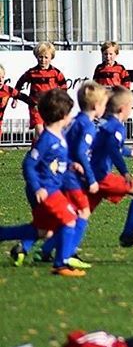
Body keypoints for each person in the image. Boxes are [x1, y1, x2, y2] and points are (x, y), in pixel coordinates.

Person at [22, 81, 109, 268]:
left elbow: (68, 151)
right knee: (80, 213)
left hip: (63, 176)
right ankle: (66, 254)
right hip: (68, 180)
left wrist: (71, 164)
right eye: (104, 104)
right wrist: (91, 178)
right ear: (96, 106)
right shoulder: (86, 125)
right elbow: (79, 151)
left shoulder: (74, 121)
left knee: (51, 222)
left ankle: (30, 248)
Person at [0, 89, 86, 277]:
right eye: (69, 113)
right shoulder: (46, 139)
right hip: (47, 190)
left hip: (52, 188)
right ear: (62, 116)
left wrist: (71, 165)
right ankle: (61, 264)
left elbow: (54, 161)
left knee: (43, 231)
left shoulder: (59, 136)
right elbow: (29, 164)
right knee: (70, 218)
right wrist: (37, 187)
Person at [90, 86, 133, 247]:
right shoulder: (117, 127)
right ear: (123, 108)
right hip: (101, 176)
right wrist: (124, 172)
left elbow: (110, 146)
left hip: (90, 174)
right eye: (131, 106)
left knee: (79, 214)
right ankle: (129, 233)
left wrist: (130, 152)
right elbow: (113, 150)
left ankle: (45, 248)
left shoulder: (102, 124)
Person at [12, 41, 68, 139]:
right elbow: (20, 83)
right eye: (40, 57)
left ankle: (37, 147)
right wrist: (15, 98)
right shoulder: (32, 72)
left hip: (50, 106)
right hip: (35, 106)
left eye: (46, 57)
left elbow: (64, 86)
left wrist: (60, 101)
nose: (43, 60)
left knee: (49, 132)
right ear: (36, 57)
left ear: (51, 58)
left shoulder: (56, 73)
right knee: (40, 131)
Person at [0, 63, 32, 142]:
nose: (0, 80)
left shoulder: (7, 90)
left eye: (2, 77)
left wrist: (35, 104)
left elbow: (23, 97)